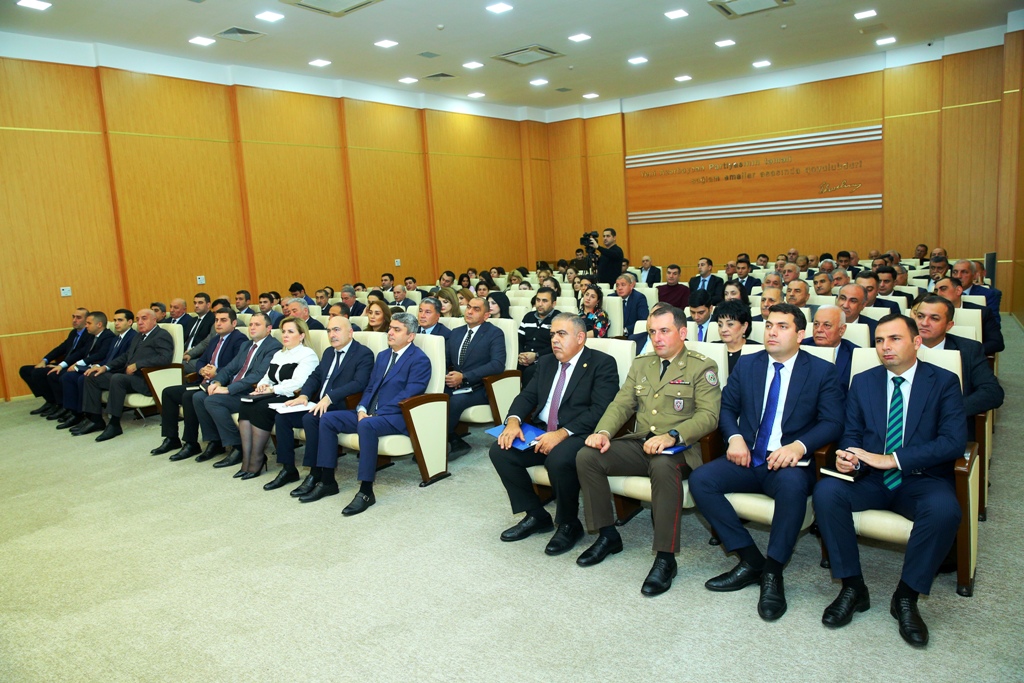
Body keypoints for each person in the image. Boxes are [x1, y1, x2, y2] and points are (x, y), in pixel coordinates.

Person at [814, 314, 967, 647]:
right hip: (869, 478)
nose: (885, 347)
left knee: (944, 511)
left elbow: (953, 441)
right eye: (880, 340)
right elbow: (851, 433)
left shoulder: (943, 382)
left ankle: (907, 596)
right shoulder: (864, 381)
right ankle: (853, 587)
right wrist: (847, 455)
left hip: (920, 478)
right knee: (826, 493)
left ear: (916, 342)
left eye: (895, 339)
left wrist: (894, 459)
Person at [689, 304, 844, 621]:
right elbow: (726, 409)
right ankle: (750, 559)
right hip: (747, 456)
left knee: (792, 489)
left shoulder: (821, 371)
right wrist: (734, 438)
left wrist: (799, 446)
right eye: (769, 325)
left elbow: (832, 422)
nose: (772, 331)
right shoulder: (748, 365)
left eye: (782, 326)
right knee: (701, 481)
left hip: (787, 462)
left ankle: (773, 572)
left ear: (801, 334)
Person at [576, 306, 722, 596]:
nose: (657, 338)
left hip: (681, 448)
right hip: (641, 442)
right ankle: (607, 535)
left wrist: (673, 436)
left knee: (662, 465)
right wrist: (603, 432)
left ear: (682, 333)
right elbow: (621, 404)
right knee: (587, 456)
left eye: (664, 331)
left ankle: (665, 558)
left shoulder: (702, 366)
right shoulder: (642, 364)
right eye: (653, 332)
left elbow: (709, 417)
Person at [490, 314, 620, 555]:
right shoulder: (547, 362)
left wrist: (561, 433)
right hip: (542, 430)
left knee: (558, 459)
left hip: (579, 433)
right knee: (500, 450)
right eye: (552, 335)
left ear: (581, 338)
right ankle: (536, 514)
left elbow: (601, 409)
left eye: (562, 334)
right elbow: (527, 396)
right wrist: (513, 421)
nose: (554, 340)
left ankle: (569, 523)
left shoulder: (602, 363)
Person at [314, 313, 432, 515]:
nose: (390, 332)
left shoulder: (420, 360)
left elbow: (408, 395)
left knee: (367, 425)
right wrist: (361, 408)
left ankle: (366, 491)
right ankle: (327, 481)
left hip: (397, 417)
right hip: (369, 414)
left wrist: (375, 415)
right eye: (390, 328)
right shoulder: (384, 355)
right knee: (328, 419)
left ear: (410, 336)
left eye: (397, 330)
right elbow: (370, 388)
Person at [266, 316, 374, 494]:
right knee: (283, 416)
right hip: (317, 402)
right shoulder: (329, 352)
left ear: (350, 332)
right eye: (329, 330)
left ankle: (315, 473)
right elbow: (316, 376)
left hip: (340, 405)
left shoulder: (363, 353)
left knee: (310, 419)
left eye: (337, 330)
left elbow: (359, 383)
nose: (332, 334)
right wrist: (304, 395)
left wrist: (330, 397)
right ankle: (288, 469)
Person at [152, 308, 247, 456]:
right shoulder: (215, 338)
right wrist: (202, 369)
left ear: (234, 323)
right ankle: (171, 438)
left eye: (223, 320)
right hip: (203, 381)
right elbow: (201, 360)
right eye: (216, 320)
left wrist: (217, 371)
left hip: (220, 384)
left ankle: (193, 443)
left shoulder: (239, 339)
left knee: (189, 397)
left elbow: (238, 366)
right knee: (168, 392)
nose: (218, 324)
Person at [189, 313, 282, 464]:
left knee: (213, 401)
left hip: (250, 393)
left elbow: (258, 375)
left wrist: (228, 389)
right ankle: (215, 442)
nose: (252, 327)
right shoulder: (246, 345)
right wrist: (217, 382)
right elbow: (229, 368)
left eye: (257, 325)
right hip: (235, 388)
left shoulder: (273, 347)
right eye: (251, 324)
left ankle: (238, 446)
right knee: (198, 397)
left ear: (268, 329)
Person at [232, 317, 319, 479]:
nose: (285, 335)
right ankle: (247, 458)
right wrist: (262, 386)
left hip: (292, 397)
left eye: (290, 332)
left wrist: (272, 389)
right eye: (283, 331)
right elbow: (267, 377)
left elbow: (298, 383)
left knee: (259, 408)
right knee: (245, 405)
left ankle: (257, 459)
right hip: (274, 393)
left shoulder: (308, 355)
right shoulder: (280, 353)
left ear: (301, 336)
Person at [913, 296, 1003, 441]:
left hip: (949, 427)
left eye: (934, 318)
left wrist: (948, 410)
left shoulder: (968, 350)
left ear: (949, 325)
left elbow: (992, 392)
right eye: (920, 316)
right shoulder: (897, 346)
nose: (924, 323)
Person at [77, 309, 174, 441]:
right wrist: (105, 367)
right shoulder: (138, 336)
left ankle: (114, 423)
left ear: (154, 319)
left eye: (144, 318)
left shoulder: (161, 335)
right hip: (129, 378)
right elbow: (126, 356)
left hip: (146, 379)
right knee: (92, 376)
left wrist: (138, 364)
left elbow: (165, 358)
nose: (139, 322)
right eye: (138, 319)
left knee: (118, 378)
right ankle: (95, 419)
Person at [445, 297, 507, 456]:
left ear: (486, 315)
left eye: (476, 309)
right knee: (433, 399)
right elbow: (445, 360)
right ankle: (453, 440)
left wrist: (464, 377)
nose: (470, 311)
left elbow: (497, 364)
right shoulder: (456, 333)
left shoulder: (494, 333)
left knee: (454, 402)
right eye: (468, 307)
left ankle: (437, 444)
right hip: (456, 384)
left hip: (480, 387)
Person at [57, 310, 133, 431]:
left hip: (119, 373)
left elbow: (124, 360)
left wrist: (103, 368)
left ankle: (93, 418)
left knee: (88, 377)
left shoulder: (132, 337)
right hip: (108, 369)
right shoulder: (117, 338)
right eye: (115, 320)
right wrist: (98, 367)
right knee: (72, 375)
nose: (116, 323)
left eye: (120, 320)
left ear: (129, 322)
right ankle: (84, 416)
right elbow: (108, 358)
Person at [44, 310, 116, 424]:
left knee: (80, 379)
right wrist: (62, 364)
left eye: (88, 323)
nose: (86, 326)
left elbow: (101, 354)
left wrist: (79, 364)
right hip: (87, 366)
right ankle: (73, 411)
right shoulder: (92, 336)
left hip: (97, 367)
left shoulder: (108, 336)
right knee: (66, 376)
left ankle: (84, 413)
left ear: (99, 324)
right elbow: (81, 352)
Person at [22, 307, 90, 416]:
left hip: (73, 365)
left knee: (42, 373)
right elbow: (61, 348)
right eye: (73, 317)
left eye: (78, 317)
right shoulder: (73, 333)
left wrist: (61, 365)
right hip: (63, 363)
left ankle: (60, 404)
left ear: (87, 320)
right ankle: (50, 400)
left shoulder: (90, 334)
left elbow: (81, 354)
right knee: (25, 370)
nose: (74, 320)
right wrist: (45, 360)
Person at [933, 276, 1004, 355]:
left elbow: (996, 343)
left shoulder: (982, 312)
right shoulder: (928, 314)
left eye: (943, 289)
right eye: (936, 290)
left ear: (958, 290)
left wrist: (968, 353)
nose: (938, 294)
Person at [802, 305, 856, 392]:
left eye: (826, 325)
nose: (819, 329)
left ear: (841, 330)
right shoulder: (800, 347)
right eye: (816, 324)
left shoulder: (855, 355)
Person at [517, 287, 559, 386]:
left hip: (547, 360)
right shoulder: (528, 317)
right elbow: (519, 340)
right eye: (538, 300)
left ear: (553, 304)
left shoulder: (558, 319)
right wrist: (521, 355)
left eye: (544, 301)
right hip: (524, 359)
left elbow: (557, 345)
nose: (540, 304)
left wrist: (536, 356)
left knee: (530, 372)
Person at [711, 300, 754, 373]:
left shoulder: (756, 350)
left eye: (730, 324)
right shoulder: (712, 348)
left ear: (744, 326)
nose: (723, 330)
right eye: (720, 325)